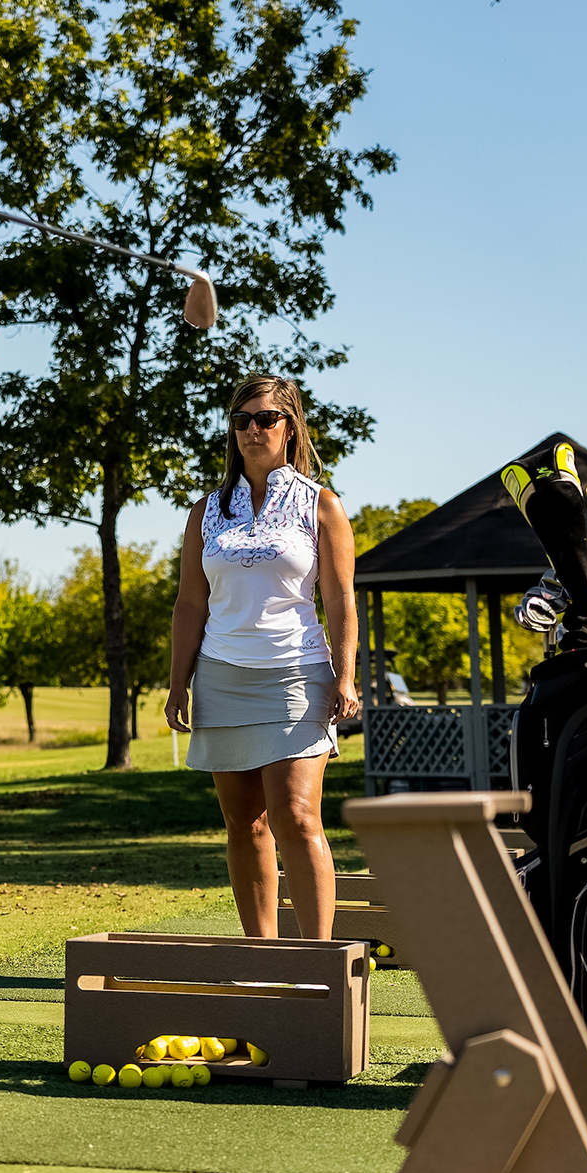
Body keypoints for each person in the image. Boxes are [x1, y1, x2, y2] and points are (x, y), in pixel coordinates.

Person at [163, 375, 361, 940]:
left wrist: (346, 675)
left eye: (266, 418)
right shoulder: (206, 510)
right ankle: (263, 959)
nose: (252, 429)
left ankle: (318, 963)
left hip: (297, 673)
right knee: (244, 825)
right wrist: (178, 684)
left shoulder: (321, 504)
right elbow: (190, 602)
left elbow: (340, 599)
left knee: (295, 817)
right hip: (222, 678)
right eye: (241, 420)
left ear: (290, 427)